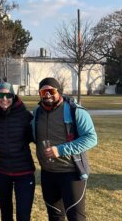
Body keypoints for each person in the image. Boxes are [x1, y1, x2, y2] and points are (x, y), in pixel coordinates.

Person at [32, 77, 97, 221]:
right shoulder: (37, 113)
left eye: (51, 91)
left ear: (59, 92)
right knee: (55, 216)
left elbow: (91, 138)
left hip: (71, 173)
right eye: (43, 92)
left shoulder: (76, 111)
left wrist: (60, 150)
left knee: (76, 217)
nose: (47, 95)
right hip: (48, 173)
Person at [0, 82, 35, 221]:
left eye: (9, 95)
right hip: (1, 171)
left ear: (14, 96)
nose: (5, 98)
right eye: (1, 95)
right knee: (5, 213)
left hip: (24, 171)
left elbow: (37, 136)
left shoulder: (25, 115)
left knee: (23, 215)